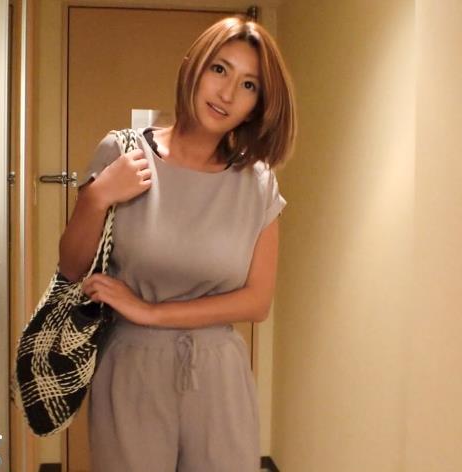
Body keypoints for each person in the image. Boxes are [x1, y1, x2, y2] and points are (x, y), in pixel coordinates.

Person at [57, 14, 296, 472]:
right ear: (193, 67)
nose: (227, 93)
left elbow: (256, 302)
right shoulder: (123, 153)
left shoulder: (258, 183)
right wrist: (99, 195)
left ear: (258, 105)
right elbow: (71, 266)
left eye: (248, 85)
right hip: (131, 366)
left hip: (218, 374)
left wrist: (151, 312)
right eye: (220, 69)